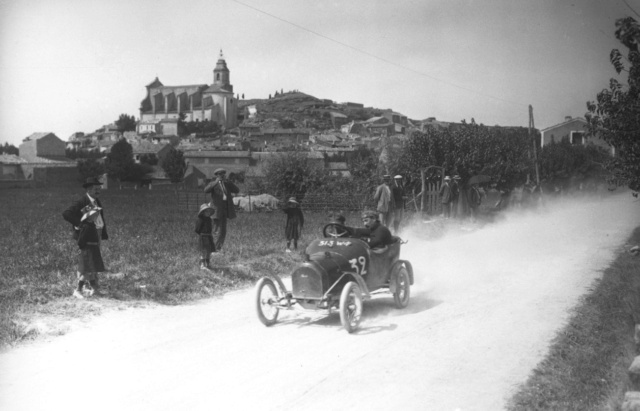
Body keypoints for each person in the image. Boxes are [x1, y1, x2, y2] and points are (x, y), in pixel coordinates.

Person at [63, 177, 109, 297]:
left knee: (92, 261)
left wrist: (101, 233)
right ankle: (79, 289)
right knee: (86, 261)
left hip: (96, 235)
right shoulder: (82, 201)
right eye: (95, 189)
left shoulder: (96, 201)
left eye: (99, 189)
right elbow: (66, 214)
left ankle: (94, 287)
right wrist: (80, 224)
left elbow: (97, 218)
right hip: (86, 237)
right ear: (88, 189)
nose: (98, 191)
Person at [204, 168, 239, 251]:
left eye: (223, 174)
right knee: (216, 230)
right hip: (216, 210)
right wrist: (216, 182)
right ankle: (212, 248)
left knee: (223, 231)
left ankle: (218, 248)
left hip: (225, 210)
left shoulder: (227, 184)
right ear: (216, 175)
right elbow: (206, 190)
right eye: (220, 174)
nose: (222, 176)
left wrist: (229, 182)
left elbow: (237, 190)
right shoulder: (213, 183)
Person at [73, 206, 104, 298]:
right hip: (88, 250)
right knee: (87, 271)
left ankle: (94, 289)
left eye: (97, 213)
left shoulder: (92, 225)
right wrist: (84, 249)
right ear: (88, 216)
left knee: (92, 270)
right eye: (94, 214)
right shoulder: (86, 226)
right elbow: (81, 241)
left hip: (93, 249)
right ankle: (78, 290)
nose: (96, 215)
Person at [195, 203, 215, 270]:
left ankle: (207, 263)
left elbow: (210, 228)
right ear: (203, 212)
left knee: (208, 250)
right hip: (203, 237)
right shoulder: (200, 219)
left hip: (209, 237)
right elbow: (197, 229)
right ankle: (202, 264)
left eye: (209, 211)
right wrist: (202, 234)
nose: (208, 213)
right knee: (203, 250)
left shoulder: (209, 219)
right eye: (206, 211)